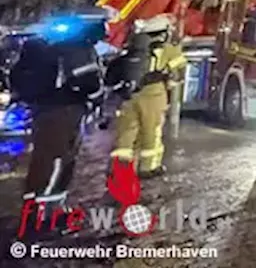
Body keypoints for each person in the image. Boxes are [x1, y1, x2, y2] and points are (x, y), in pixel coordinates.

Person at [11, 11, 107, 209]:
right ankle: (45, 211)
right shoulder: (78, 49)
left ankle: (36, 204)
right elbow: (88, 82)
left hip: (42, 110)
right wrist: (97, 99)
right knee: (59, 159)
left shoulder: (44, 48)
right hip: (65, 110)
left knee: (43, 157)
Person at [109, 15, 187, 178]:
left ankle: (118, 168)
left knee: (127, 132)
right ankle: (148, 167)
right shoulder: (167, 50)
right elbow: (179, 69)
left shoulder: (132, 48)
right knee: (152, 131)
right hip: (153, 94)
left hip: (130, 95)